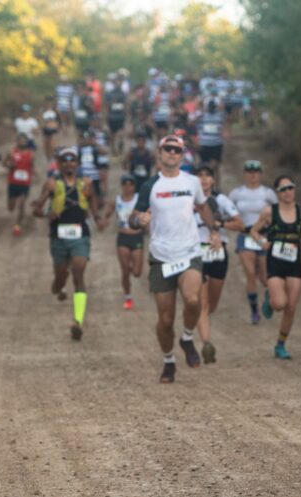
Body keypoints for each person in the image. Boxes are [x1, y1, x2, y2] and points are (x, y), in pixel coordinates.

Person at [128, 135, 222, 384]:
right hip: (161, 257)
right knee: (166, 319)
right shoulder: (150, 186)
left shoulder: (192, 182)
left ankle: (188, 338)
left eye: (176, 150)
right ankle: (169, 360)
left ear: (182, 155)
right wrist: (139, 220)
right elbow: (133, 216)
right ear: (159, 153)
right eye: (167, 149)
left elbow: (203, 207)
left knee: (193, 300)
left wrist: (213, 231)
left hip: (189, 252)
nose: (172, 153)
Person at [31, 146, 101, 341]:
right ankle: (58, 285)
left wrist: (97, 217)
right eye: (65, 161)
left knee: (79, 273)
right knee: (61, 277)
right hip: (58, 236)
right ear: (60, 164)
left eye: (73, 161)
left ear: (78, 164)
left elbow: (94, 201)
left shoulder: (86, 183)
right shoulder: (52, 184)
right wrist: (47, 213)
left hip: (80, 234)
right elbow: (36, 210)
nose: (69, 164)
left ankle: (77, 321)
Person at [249, 175, 301, 359]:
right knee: (279, 303)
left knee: (291, 306)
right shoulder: (269, 212)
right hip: (275, 260)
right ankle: (270, 298)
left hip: (294, 261)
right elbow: (254, 231)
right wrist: (262, 241)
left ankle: (280, 344)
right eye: (283, 189)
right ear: (277, 193)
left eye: (290, 188)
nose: (287, 192)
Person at [194, 165, 244, 363]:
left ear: (213, 180)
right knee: (202, 304)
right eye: (200, 176)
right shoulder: (188, 201)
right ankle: (207, 344)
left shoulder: (221, 200)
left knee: (212, 304)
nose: (204, 180)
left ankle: (200, 323)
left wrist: (219, 225)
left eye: (208, 176)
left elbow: (240, 224)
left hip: (217, 254)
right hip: (196, 253)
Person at [228, 160, 277, 324]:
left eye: (256, 171)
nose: (252, 174)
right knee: (250, 274)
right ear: (244, 174)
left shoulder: (268, 193)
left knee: (264, 277)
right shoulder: (236, 193)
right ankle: (254, 311)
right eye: (249, 171)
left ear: (260, 174)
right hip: (245, 236)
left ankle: (269, 296)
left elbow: (279, 213)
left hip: (263, 236)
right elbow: (227, 211)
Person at [100, 174, 144, 310]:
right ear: (122, 186)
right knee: (125, 270)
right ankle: (128, 297)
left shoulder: (139, 200)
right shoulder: (117, 200)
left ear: (134, 186)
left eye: (130, 184)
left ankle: (132, 268)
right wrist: (105, 219)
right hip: (123, 237)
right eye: (125, 184)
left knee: (137, 272)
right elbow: (108, 212)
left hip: (136, 236)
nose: (127, 187)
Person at [4, 133, 35, 236]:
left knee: (22, 204)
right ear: (17, 141)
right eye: (20, 140)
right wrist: (9, 164)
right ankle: (12, 202)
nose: (22, 142)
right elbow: (4, 163)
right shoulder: (12, 152)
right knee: (11, 207)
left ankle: (17, 226)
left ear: (26, 142)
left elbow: (32, 167)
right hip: (13, 182)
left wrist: (34, 174)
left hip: (25, 183)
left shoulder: (30, 154)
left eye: (24, 140)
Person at [196, 99, 228, 178]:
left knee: (215, 167)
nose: (211, 108)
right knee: (204, 167)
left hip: (216, 144)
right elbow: (194, 123)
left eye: (212, 106)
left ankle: (216, 188)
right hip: (204, 144)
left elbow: (225, 123)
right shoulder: (202, 116)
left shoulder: (220, 116)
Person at [106, 76, 127, 154]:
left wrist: (126, 115)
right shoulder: (109, 93)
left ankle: (120, 144)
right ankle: (113, 149)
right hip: (112, 117)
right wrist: (107, 116)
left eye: (120, 81)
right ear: (114, 83)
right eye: (117, 81)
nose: (118, 83)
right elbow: (107, 106)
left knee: (121, 133)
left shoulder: (123, 94)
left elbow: (125, 105)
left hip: (120, 117)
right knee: (112, 134)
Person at [41, 96, 61, 161]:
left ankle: (52, 157)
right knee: (46, 145)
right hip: (45, 129)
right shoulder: (43, 110)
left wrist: (58, 127)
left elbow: (59, 120)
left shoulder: (55, 110)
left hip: (53, 129)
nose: (49, 103)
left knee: (52, 145)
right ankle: (48, 158)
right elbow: (40, 119)